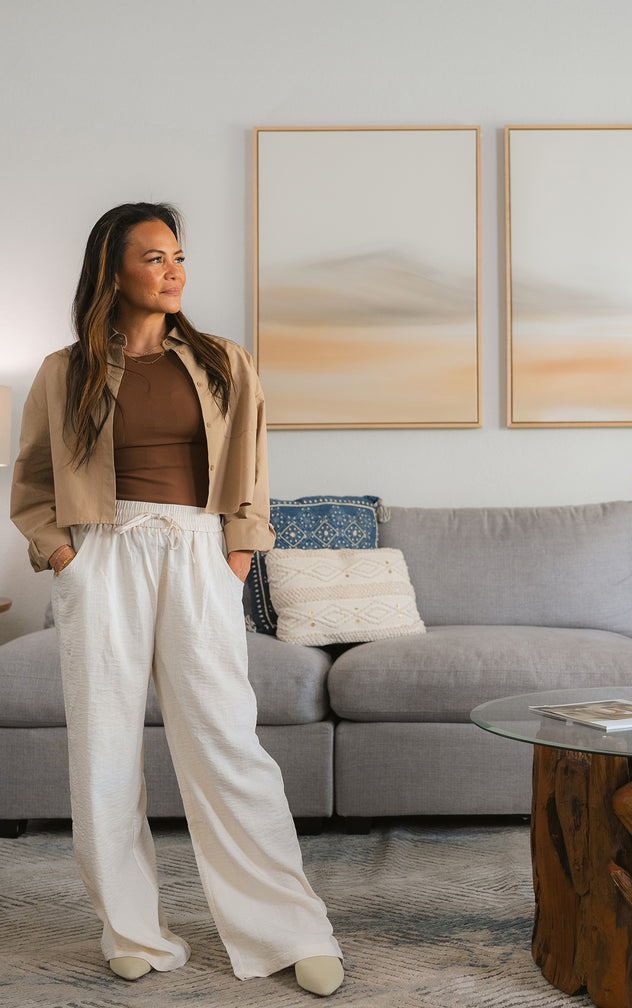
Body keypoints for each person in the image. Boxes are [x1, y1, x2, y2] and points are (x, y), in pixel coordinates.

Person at [10, 202, 345, 997]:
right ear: (113, 269)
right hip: (103, 553)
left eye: (179, 257)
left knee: (227, 744)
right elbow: (29, 482)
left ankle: (289, 928)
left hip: (198, 553)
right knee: (105, 749)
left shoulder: (225, 361)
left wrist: (233, 559)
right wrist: (63, 555)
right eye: (155, 258)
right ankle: (130, 930)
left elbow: (253, 475)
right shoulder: (66, 371)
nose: (174, 272)